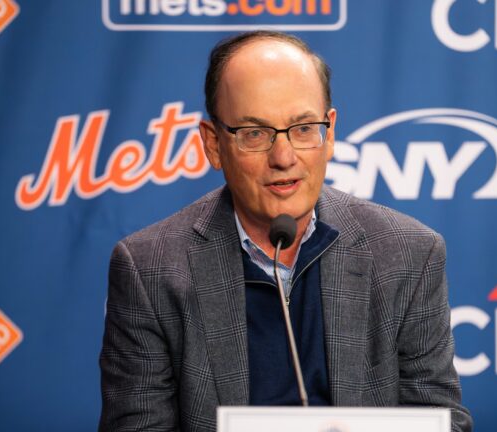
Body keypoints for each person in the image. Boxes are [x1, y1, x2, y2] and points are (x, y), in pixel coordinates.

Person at [99, 31, 473, 431]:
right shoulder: (149, 270)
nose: (284, 157)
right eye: (255, 133)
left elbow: (440, 421)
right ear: (213, 144)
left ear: (329, 133)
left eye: (303, 128)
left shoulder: (409, 254)